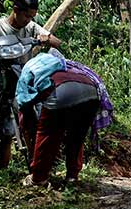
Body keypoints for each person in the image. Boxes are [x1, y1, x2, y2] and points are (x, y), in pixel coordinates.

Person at [15, 50, 113, 186]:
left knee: (47, 134)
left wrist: (27, 129)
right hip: (92, 93)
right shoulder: (67, 65)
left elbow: (23, 101)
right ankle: (72, 176)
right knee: (77, 136)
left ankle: (38, 178)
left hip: (61, 92)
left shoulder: (30, 67)